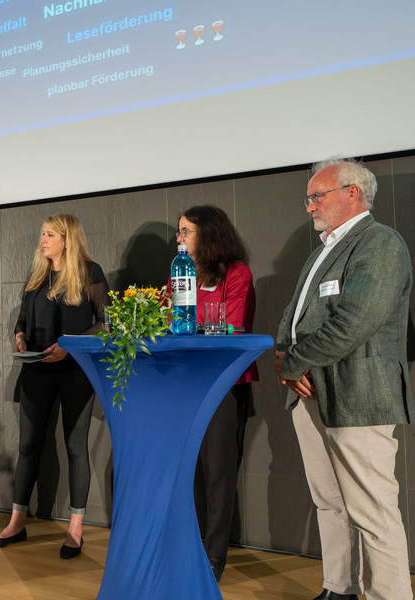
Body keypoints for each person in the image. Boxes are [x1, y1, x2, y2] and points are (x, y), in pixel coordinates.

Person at [275, 158, 413, 600]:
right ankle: (340, 588)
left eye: (317, 196)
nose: (310, 207)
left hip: (358, 396)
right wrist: (284, 352)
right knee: (329, 503)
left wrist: (294, 362)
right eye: (309, 198)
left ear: (352, 193)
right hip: (310, 395)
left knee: (373, 514)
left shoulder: (380, 244)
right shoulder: (323, 250)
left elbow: (356, 321)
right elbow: (294, 314)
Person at [0, 214, 109, 559]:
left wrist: (69, 345)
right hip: (36, 369)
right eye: (42, 233)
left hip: (76, 371)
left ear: (67, 239)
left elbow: (105, 324)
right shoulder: (37, 275)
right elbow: (22, 318)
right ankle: (16, 523)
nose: (43, 239)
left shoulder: (90, 272)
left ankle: (75, 530)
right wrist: (20, 336)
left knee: (75, 447)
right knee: (28, 447)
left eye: (50, 234)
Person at [175, 205, 258, 581]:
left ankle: (213, 558)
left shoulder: (237, 272)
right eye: (179, 232)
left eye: (186, 231)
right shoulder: (183, 272)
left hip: (225, 383)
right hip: (189, 382)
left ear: (207, 234)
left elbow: (234, 326)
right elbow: (170, 319)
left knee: (219, 473)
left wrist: (195, 329)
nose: (180, 239)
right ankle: (190, 548)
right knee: (190, 471)